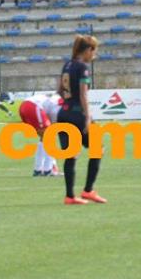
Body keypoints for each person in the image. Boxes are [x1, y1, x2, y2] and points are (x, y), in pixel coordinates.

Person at [57, 35, 105, 204]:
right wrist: (87, 116)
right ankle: (88, 190)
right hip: (78, 114)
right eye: (94, 51)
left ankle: (70, 196)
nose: (94, 55)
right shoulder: (82, 67)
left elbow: (59, 90)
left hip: (64, 113)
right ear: (88, 50)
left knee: (71, 155)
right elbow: (83, 94)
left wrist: (69, 103)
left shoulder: (67, 65)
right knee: (98, 148)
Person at [18, 92, 62, 177]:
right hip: (33, 106)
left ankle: (39, 169)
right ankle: (48, 170)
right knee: (49, 136)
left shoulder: (58, 101)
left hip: (24, 106)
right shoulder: (59, 106)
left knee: (44, 138)